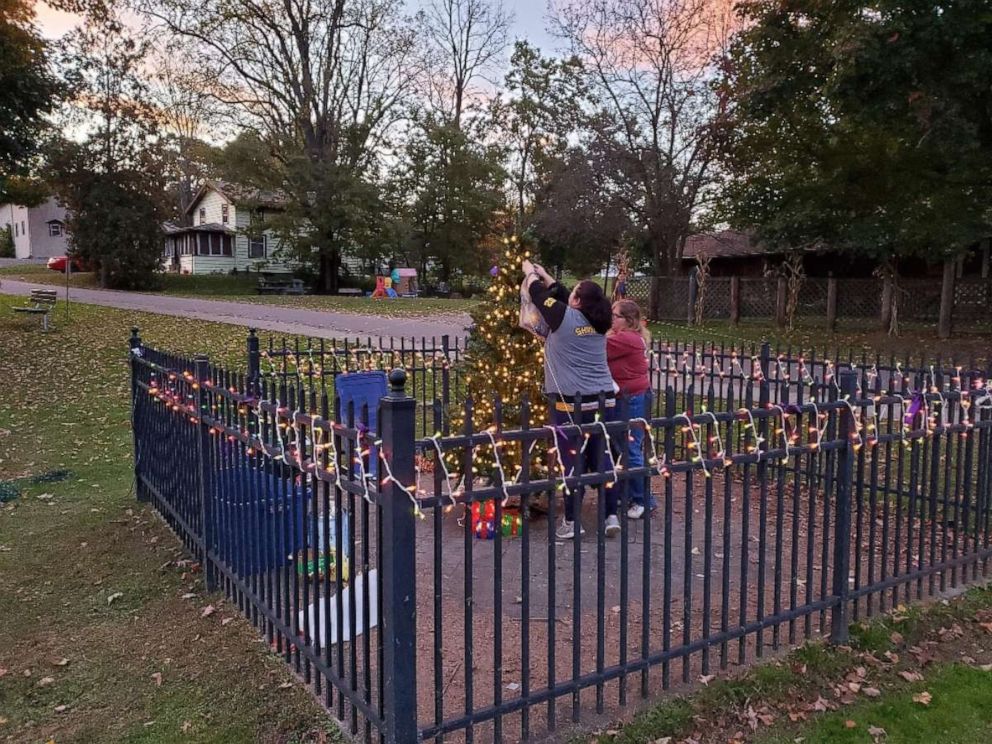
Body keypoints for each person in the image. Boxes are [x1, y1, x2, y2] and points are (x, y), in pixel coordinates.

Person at [521, 259, 620, 539]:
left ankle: (572, 521)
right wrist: (546, 273)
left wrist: (530, 273)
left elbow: (539, 297)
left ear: (577, 301)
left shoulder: (563, 318)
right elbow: (563, 295)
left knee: (571, 462)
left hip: (570, 406)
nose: (568, 294)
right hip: (604, 402)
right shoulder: (599, 321)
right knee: (604, 459)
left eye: (573, 292)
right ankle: (610, 515)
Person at [607, 299, 658, 518]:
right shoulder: (622, 337)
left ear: (628, 320)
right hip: (625, 397)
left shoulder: (627, 339)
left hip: (633, 399)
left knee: (630, 449)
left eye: (615, 315)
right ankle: (629, 494)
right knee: (620, 447)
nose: (611, 318)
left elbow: (597, 346)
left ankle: (644, 500)